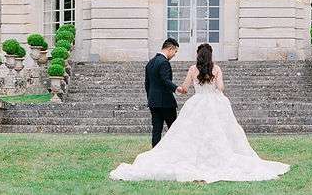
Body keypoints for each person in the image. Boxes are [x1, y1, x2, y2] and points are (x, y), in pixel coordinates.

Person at [110, 43, 291, 183]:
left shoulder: (192, 69)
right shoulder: (217, 68)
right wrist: (215, 84)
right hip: (215, 103)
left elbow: (186, 88)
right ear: (210, 55)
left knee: (190, 133)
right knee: (220, 132)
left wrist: (181, 89)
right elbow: (221, 88)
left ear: (198, 55)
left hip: (197, 103)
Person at [144, 37, 182, 147]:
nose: (174, 55)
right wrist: (177, 88)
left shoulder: (150, 63)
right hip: (166, 102)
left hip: (153, 102)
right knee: (174, 129)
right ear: (170, 49)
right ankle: (175, 151)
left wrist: (150, 98)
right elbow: (165, 80)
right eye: (175, 52)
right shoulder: (164, 62)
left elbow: (147, 84)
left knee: (156, 130)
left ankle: (154, 154)